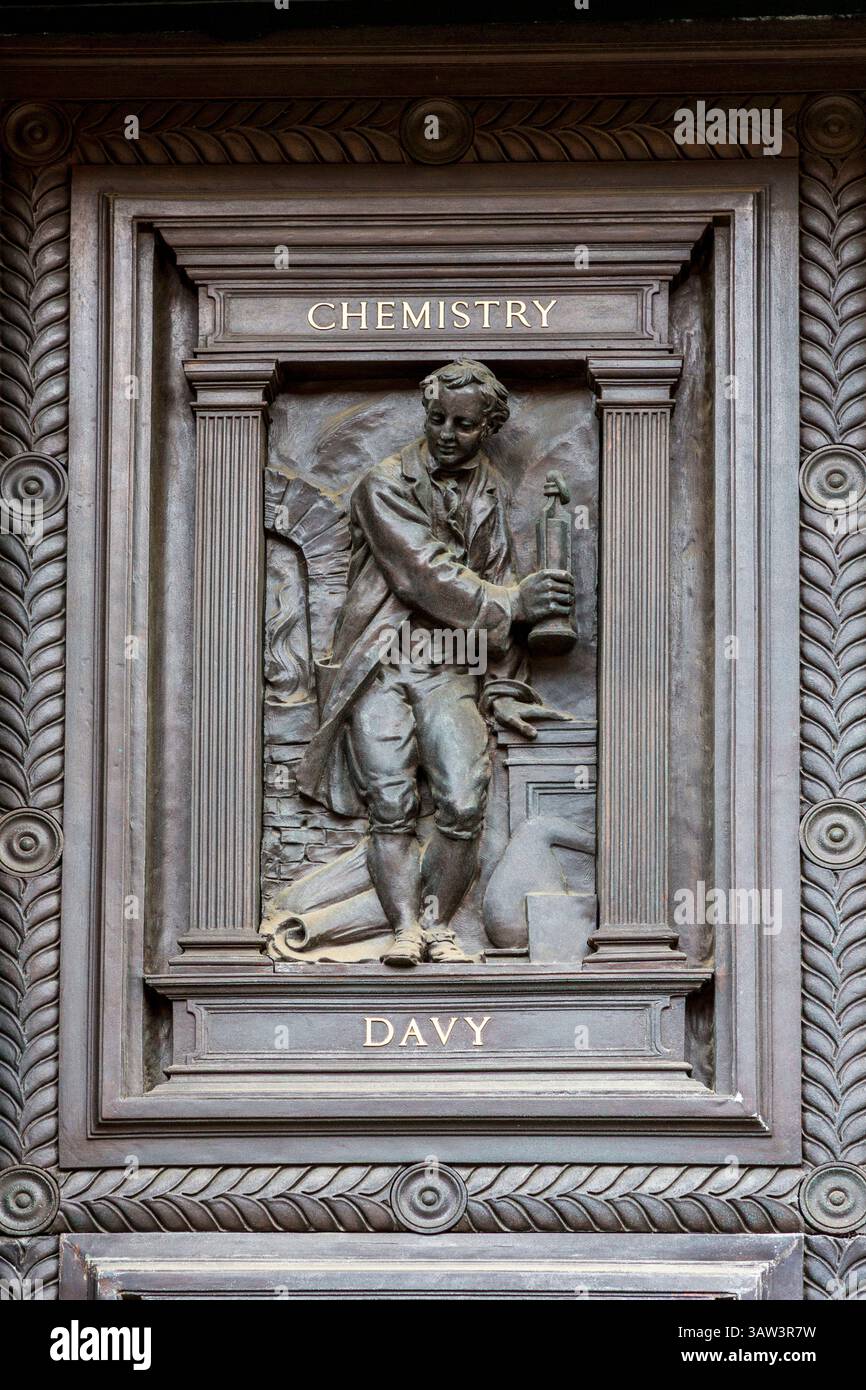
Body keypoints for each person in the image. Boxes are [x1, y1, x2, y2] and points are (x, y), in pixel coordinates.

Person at [297, 359, 574, 966]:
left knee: (464, 800)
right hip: (380, 662)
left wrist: (503, 689)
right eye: (439, 419)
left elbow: (496, 571)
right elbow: (421, 574)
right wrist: (511, 602)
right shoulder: (382, 483)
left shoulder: (490, 490)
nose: (448, 433)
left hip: (453, 665)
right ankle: (402, 929)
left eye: (466, 425)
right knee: (390, 802)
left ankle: (439, 922)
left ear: (488, 427)